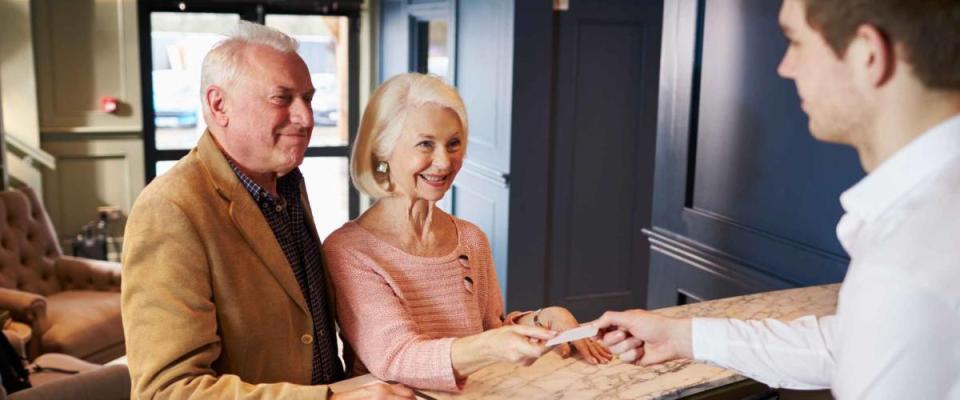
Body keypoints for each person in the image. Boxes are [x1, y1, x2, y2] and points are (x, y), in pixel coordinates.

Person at [590, 0, 960, 398]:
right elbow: (847, 345)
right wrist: (682, 337)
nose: (785, 66)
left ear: (866, 54)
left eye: (796, 42)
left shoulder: (905, 265)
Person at [122, 21, 413, 399]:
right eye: (282, 98)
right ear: (218, 104)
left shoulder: (287, 180)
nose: (306, 118)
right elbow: (168, 391)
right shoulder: (169, 210)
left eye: (307, 99)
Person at [323, 73, 613, 392]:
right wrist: (491, 345)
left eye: (453, 143)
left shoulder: (470, 238)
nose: (444, 162)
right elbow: (395, 357)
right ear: (382, 148)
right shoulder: (348, 251)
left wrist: (542, 319)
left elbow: (492, 330)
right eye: (425, 144)